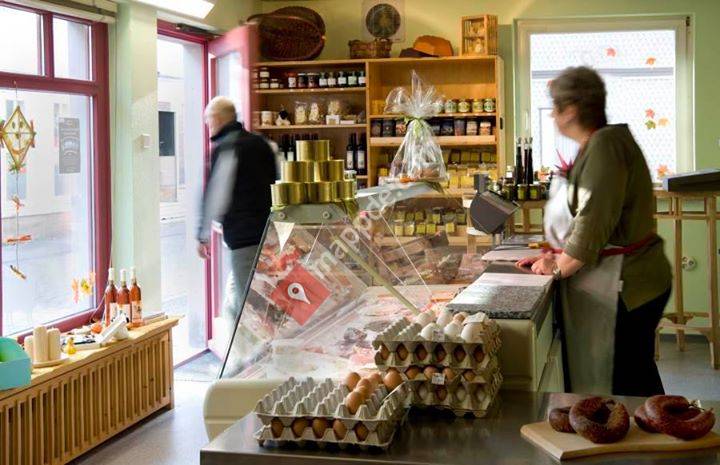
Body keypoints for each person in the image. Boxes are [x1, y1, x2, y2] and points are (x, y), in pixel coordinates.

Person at [517, 67, 672, 397]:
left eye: (555, 108)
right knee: (634, 374)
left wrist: (557, 267)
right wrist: (557, 255)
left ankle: (652, 429)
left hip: (629, 283)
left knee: (629, 383)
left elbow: (592, 222)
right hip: (627, 276)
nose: (552, 116)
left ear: (570, 111)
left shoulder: (605, 146)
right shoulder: (599, 144)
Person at [197, 96, 277, 324]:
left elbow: (216, 194)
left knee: (249, 307)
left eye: (208, 121)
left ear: (218, 119)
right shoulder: (262, 144)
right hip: (268, 233)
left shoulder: (227, 147)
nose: (208, 126)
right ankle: (238, 344)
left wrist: (203, 235)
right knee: (239, 301)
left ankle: (256, 346)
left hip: (244, 238)